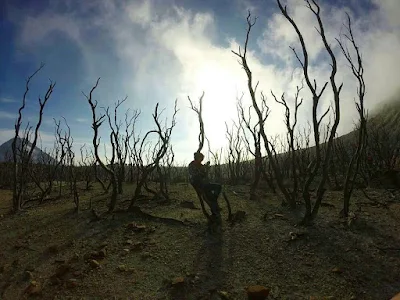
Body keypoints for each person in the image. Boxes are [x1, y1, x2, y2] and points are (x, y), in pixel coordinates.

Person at [188, 152, 222, 218]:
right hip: (198, 184)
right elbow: (194, 175)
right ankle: (215, 212)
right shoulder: (192, 165)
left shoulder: (201, 165)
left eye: (202, 158)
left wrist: (206, 168)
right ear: (197, 158)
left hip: (205, 184)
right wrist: (202, 170)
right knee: (208, 197)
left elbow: (204, 175)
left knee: (218, 187)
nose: (202, 160)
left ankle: (215, 204)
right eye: (201, 158)